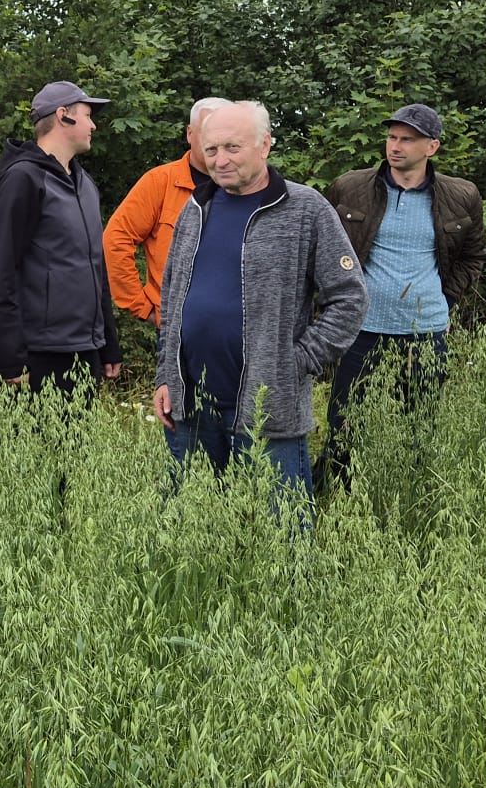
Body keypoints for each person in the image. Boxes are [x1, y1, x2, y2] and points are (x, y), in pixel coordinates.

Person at [152, 101, 367, 502]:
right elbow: (172, 302)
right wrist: (165, 375)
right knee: (192, 524)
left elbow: (349, 297)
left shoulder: (305, 209)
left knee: (282, 528)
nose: (220, 160)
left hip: (268, 406)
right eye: (212, 149)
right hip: (193, 405)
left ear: (265, 145)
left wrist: (297, 361)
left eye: (232, 147)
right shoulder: (194, 209)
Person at [320, 103, 486, 482]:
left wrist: (445, 302)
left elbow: (473, 256)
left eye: (408, 140)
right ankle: (335, 490)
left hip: (424, 332)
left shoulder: (461, 196)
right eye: (392, 137)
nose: (395, 146)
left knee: (418, 425)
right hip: (361, 328)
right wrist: (333, 305)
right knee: (345, 422)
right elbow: (323, 250)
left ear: (432, 147)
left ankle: (408, 493)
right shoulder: (350, 188)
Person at [0, 81, 123, 399]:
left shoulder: (85, 184)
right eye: (87, 115)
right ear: (63, 115)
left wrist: (108, 343)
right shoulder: (23, 179)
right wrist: (11, 357)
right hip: (40, 354)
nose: (93, 125)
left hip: (85, 349)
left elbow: (95, 267)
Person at [103, 96, 231, 325]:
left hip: (238, 327)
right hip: (177, 328)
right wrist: (142, 307)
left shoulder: (245, 186)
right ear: (190, 133)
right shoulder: (160, 182)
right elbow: (116, 239)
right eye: (207, 132)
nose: (215, 141)